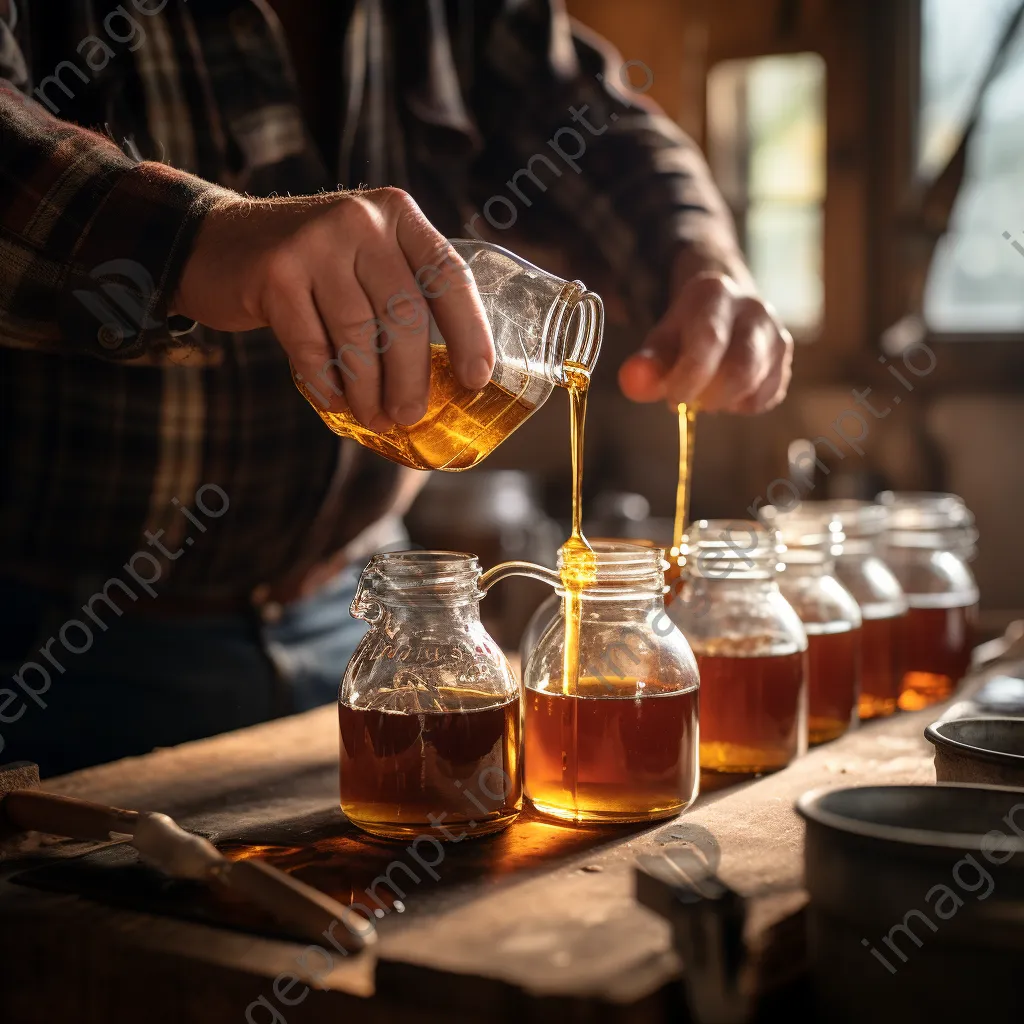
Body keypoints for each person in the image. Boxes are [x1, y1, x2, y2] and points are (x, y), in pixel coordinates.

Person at [0, 0, 792, 776]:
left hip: (363, 620)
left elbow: (591, 124)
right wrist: (194, 239)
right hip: (53, 646)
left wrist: (701, 261)